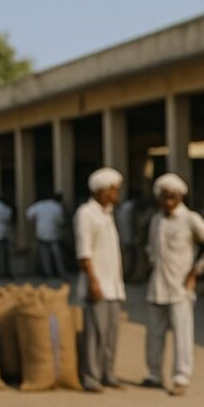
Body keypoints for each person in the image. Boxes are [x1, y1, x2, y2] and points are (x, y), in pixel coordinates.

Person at [142, 173, 204, 396]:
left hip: (181, 287)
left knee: (182, 334)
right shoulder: (156, 219)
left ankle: (181, 377)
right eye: (163, 197)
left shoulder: (190, 219)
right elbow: (151, 248)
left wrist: (196, 271)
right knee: (154, 333)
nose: (167, 201)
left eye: (171, 197)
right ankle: (153, 374)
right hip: (157, 285)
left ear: (179, 197)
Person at [74, 168, 126, 392]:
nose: (116, 193)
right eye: (113, 189)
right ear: (101, 190)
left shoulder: (108, 214)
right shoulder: (86, 214)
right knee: (95, 334)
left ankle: (108, 373)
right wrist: (93, 282)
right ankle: (91, 377)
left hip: (114, 286)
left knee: (111, 333)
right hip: (97, 284)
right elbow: (84, 253)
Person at [26, 193, 66, 278]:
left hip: (41, 233)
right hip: (53, 234)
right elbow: (60, 221)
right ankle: (60, 272)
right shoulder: (57, 207)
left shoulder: (40, 205)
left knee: (45, 256)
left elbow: (28, 214)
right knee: (57, 255)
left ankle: (48, 273)